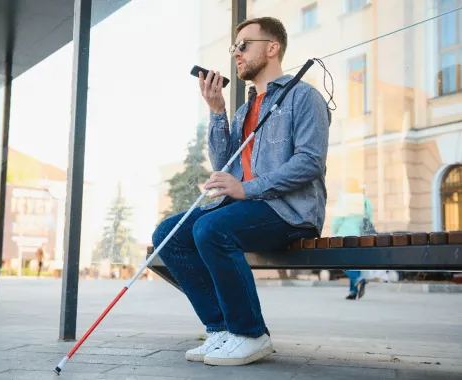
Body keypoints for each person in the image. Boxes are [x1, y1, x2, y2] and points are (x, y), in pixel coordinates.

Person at [152, 17, 331, 366]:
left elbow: (310, 162)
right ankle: (221, 329)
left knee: (211, 228)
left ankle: (250, 334)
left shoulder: (303, 97)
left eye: (243, 45)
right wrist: (217, 111)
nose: (236, 53)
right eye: (233, 47)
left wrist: (247, 189)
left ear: (272, 47)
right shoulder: (246, 108)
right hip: (247, 208)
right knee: (168, 234)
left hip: (290, 211)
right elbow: (225, 163)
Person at [331, 178, 373, 300]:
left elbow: (337, 219)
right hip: (358, 236)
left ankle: (358, 280)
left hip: (344, 235)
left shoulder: (344, 199)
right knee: (354, 263)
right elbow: (369, 219)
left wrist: (334, 232)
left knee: (341, 261)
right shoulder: (364, 200)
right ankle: (353, 291)